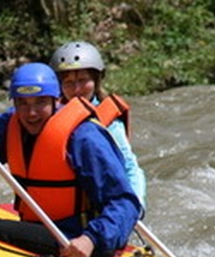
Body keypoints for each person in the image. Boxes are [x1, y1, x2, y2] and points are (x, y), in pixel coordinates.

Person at [0, 63, 141, 257]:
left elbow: (125, 203)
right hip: (41, 230)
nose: (31, 113)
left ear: (56, 100)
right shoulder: (12, 124)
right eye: (23, 103)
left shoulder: (84, 138)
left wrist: (91, 239)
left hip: (79, 239)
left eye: (40, 102)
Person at [50, 41, 147, 210]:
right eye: (69, 82)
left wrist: (134, 206)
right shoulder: (49, 114)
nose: (77, 89)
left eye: (83, 80)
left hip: (95, 210)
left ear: (96, 80)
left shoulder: (109, 122)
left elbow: (130, 167)